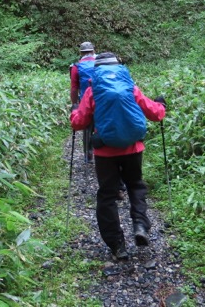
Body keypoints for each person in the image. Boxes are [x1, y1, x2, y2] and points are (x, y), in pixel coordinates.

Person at [70, 52, 166, 261]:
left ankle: (117, 245)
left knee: (107, 195)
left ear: (97, 69)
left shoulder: (94, 89)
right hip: (133, 149)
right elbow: (155, 113)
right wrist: (162, 105)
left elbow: (78, 123)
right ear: (118, 67)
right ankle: (140, 225)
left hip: (105, 152)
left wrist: (73, 111)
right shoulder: (129, 86)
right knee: (135, 186)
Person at [70, 41, 96, 163]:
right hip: (102, 98)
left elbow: (74, 87)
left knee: (87, 127)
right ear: (93, 51)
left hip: (85, 100)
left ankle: (88, 154)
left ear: (81, 53)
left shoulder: (76, 66)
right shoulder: (100, 63)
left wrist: (74, 104)